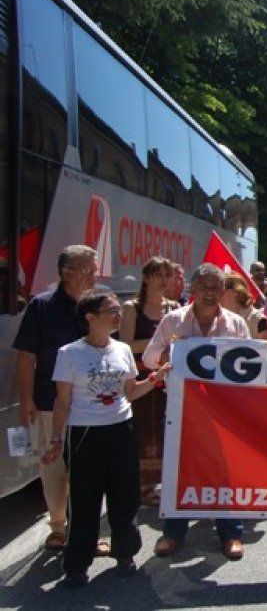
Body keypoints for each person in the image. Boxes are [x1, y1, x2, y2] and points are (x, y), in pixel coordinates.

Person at [42, 289, 172, 588]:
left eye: (118, 309)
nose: (118, 315)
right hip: (85, 433)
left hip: (121, 429)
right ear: (90, 317)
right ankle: (77, 564)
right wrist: (55, 440)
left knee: (125, 497)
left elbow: (130, 392)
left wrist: (156, 378)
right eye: (110, 311)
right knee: (85, 500)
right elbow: (62, 401)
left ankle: (125, 553)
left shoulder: (122, 350)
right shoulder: (70, 353)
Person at [143, 263, 251, 560]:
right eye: (203, 286)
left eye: (215, 287)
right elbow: (150, 357)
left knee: (225, 471)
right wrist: (173, 354)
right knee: (178, 470)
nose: (209, 293)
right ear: (192, 289)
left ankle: (231, 533)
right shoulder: (172, 320)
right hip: (181, 408)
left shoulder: (236, 324)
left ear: (223, 291)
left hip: (223, 411)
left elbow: (250, 365)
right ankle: (172, 533)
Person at [13, 245, 97, 551]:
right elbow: (26, 356)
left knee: (87, 470)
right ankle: (58, 527)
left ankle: (86, 530)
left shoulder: (98, 305)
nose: (95, 273)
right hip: (49, 401)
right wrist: (26, 400)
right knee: (53, 468)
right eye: (89, 268)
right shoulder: (42, 306)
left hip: (91, 404)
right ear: (66, 272)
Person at [117, 256, 179, 506]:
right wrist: (158, 342)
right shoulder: (132, 308)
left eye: (167, 275)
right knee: (141, 431)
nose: (164, 280)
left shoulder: (174, 307)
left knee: (162, 431)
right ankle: (141, 484)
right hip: (141, 377)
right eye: (158, 275)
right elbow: (126, 345)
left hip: (168, 378)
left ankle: (156, 483)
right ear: (145, 278)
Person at [221, 273, 267, 339]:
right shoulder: (217, 318)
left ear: (234, 292)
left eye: (220, 290)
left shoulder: (258, 319)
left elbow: (263, 348)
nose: (216, 294)